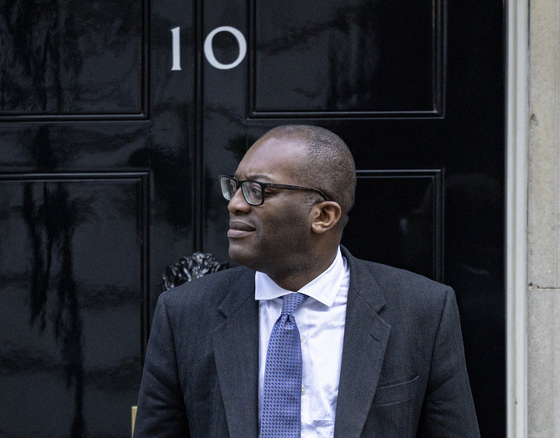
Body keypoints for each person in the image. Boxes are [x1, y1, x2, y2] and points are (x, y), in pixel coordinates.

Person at [133, 125, 479, 437]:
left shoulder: (422, 310)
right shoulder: (184, 313)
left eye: (257, 190)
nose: (235, 205)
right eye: (235, 187)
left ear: (323, 216)